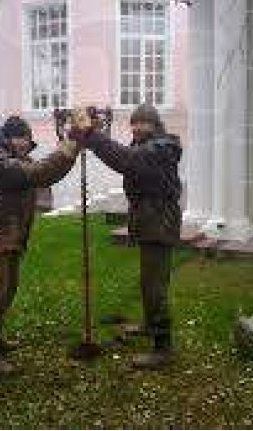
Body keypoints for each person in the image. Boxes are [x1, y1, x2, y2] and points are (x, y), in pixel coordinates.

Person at [71, 103, 183, 369]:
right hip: (151, 221)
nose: (136, 127)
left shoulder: (160, 149)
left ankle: (163, 347)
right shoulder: (144, 147)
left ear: (155, 126)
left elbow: (125, 161)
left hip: (160, 223)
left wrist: (92, 134)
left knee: (155, 285)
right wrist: (93, 136)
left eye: (143, 123)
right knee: (149, 281)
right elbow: (121, 157)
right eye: (134, 123)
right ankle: (149, 325)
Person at [0, 116, 80, 375]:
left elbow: (44, 173)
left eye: (27, 139)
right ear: (8, 139)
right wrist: (69, 147)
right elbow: (40, 173)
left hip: (11, 238)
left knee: (6, 292)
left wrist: (68, 147)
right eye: (20, 138)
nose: (25, 143)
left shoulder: (17, 161)